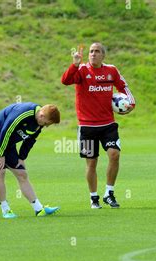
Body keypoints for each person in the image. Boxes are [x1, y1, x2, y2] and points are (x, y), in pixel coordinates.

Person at [61, 42, 135, 209]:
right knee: (91, 163)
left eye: (97, 51)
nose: (93, 54)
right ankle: (94, 197)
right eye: (91, 51)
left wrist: (130, 104)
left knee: (114, 155)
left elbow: (124, 87)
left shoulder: (111, 71)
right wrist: (74, 64)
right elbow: (65, 81)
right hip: (87, 127)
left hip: (108, 125)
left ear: (103, 55)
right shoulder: (81, 70)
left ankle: (109, 193)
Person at [0, 102, 61, 219]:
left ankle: (39, 209)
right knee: (0, 171)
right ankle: (5, 209)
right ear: (42, 115)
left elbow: (30, 140)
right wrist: (1, 154)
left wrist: (22, 157)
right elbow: (6, 130)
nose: (46, 126)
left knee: (22, 174)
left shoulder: (39, 122)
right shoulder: (24, 113)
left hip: (8, 142)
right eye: (47, 123)